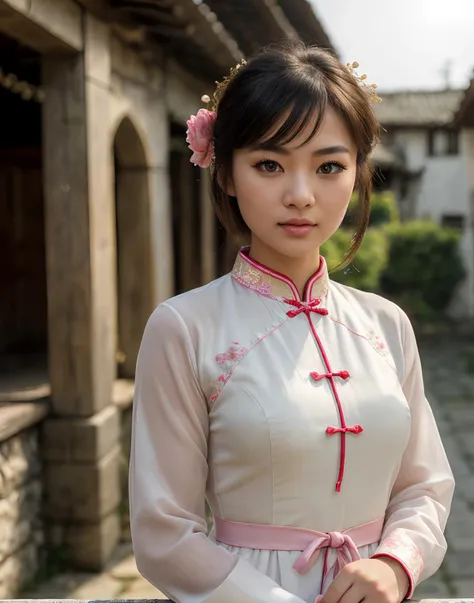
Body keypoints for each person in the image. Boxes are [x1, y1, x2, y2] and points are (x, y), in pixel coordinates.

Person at [129, 42, 454, 603]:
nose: (301, 196)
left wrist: (397, 564)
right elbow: (164, 532)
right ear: (226, 172)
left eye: (329, 166)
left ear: (356, 173)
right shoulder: (184, 327)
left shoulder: (388, 326)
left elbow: (424, 486)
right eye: (269, 165)